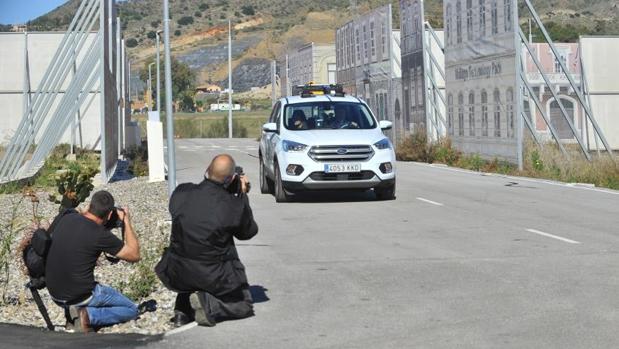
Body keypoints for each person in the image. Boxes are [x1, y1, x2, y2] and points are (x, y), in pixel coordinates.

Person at [156, 154, 259, 327]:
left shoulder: (182, 192)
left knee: (191, 260)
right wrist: (242, 195)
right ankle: (209, 303)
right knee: (244, 304)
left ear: (206, 171)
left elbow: (201, 204)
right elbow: (248, 232)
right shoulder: (232, 205)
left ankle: (182, 310)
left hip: (176, 271)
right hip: (212, 275)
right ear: (232, 179)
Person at [45, 190, 141, 332]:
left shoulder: (67, 217)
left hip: (55, 294)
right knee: (131, 309)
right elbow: (134, 255)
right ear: (109, 215)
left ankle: (74, 314)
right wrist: (126, 220)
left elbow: (83, 226)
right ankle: (88, 316)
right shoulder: (100, 234)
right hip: (80, 296)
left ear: (90, 205)